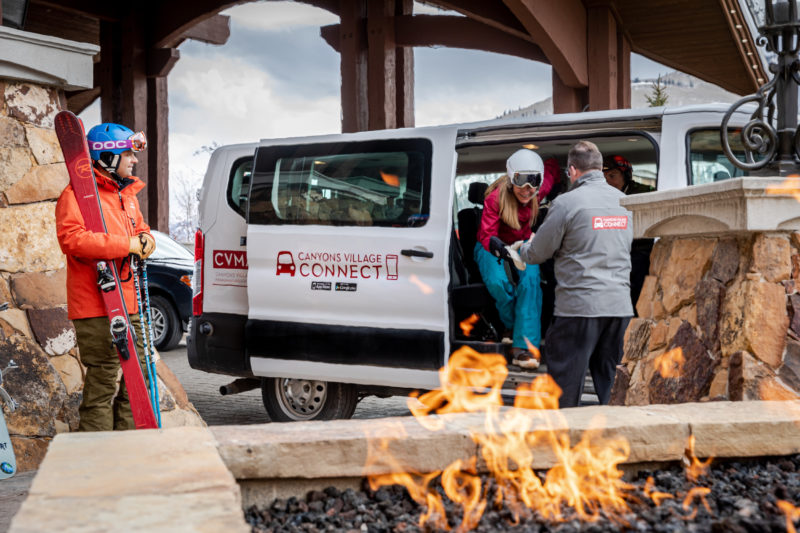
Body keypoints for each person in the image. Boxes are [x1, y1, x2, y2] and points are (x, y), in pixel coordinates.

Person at [514, 141, 633, 407]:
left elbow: (537, 253)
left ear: (572, 171)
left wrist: (521, 248)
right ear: (601, 169)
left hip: (579, 309)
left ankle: (564, 443)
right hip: (619, 308)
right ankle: (615, 444)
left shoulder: (566, 203)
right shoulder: (624, 202)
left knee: (565, 386)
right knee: (613, 386)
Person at [55, 123, 156, 431]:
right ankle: (97, 456)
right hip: (95, 304)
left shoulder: (127, 196)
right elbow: (72, 240)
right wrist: (126, 245)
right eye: (128, 154)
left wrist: (146, 242)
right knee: (104, 376)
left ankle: (129, 446)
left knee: (140, 374)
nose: (134, 160)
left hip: (130, 300)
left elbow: (141, 231)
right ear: (108, 156)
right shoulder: (76, 195)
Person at [474, 149, 544, 370]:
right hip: (491, 244)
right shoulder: (496, 198)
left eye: (533, 181)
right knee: (498, 282)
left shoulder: (538, 193)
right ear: (512, 177)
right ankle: (512, 327)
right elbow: (486, 235)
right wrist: (501, 251)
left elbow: (551, 168)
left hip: (523, 243)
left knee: (531, 282)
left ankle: (524, 348)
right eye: (521, 180)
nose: (527, 188)